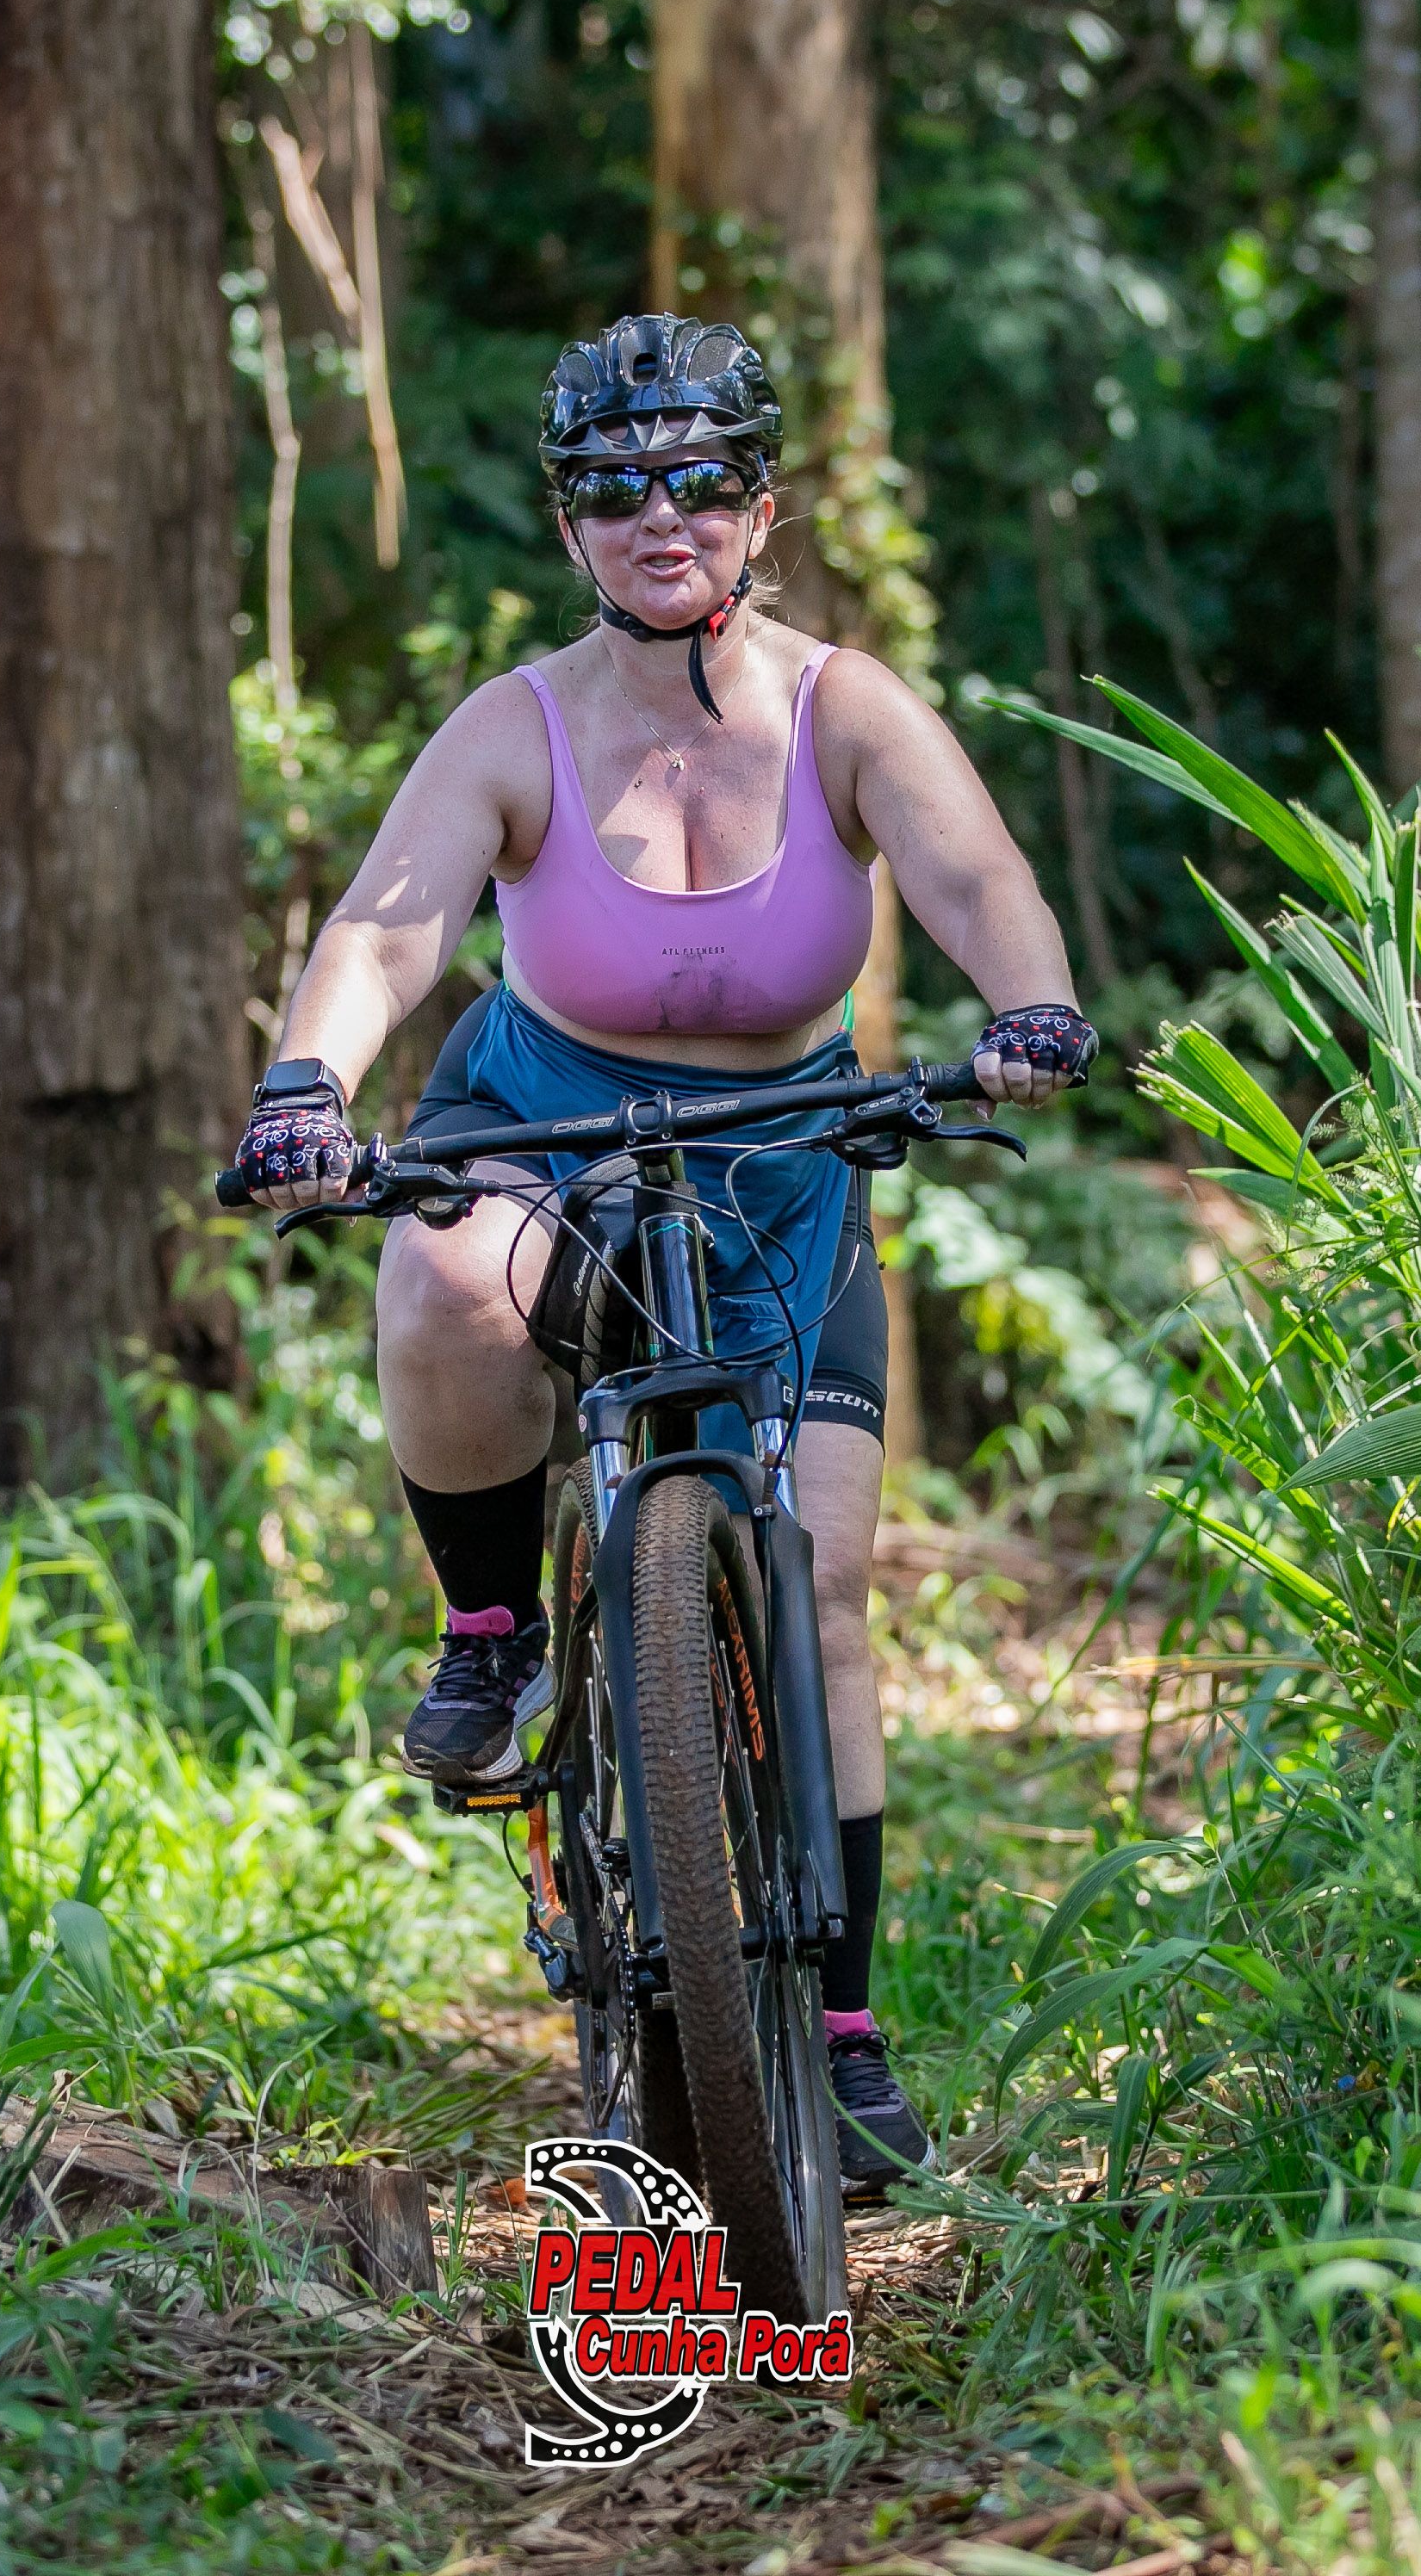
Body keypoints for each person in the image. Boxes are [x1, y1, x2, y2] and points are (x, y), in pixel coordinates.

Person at [226, 313, 1094, 2195]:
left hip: (782, 1167)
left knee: (831, 1587)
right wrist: (306, 1085)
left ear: (760, 506)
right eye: (616, 488)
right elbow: (388, 925)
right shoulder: (516, 726)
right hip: (551, 1138)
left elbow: (975, 876)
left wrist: (1029, 1006)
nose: (660, 515)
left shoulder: (844, 710)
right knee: (441, 1275)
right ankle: (493, 1640)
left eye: (699, 479)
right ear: (572, 525)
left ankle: (843, 2034)